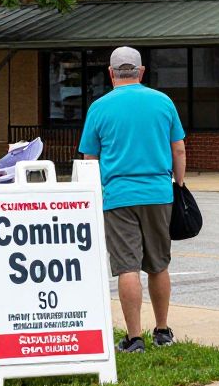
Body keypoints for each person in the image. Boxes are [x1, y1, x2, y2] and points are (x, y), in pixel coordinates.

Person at [78, 46, 186, 352]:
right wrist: (178, 185)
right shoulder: (163, 102)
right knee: (159, 264)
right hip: (158, 193)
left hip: (118, 196)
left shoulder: (99, 107)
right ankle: (162, 330)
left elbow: (90, 157)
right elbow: (178, 149)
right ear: (141, 71)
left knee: (128, 266)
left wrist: (95, 193)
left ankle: (134, 337)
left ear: (110, 74)